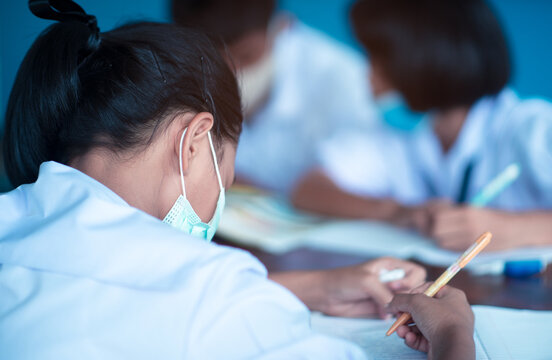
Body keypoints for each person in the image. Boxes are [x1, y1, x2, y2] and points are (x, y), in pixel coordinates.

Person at [0, 1, 437, 358]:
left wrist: (310, 287)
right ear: (193, 141)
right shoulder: (214, 294)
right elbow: (188, 296)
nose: (222, 192)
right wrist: (455, 333)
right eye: (225, 179)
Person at [292, 0, 552, 251]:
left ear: (421, 58)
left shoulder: (534, 128)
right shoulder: (410, 136)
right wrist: (402, 212)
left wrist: (508, 229)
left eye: (377, 58)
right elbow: (308, 189)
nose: (366, 72)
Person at [172, 0, 380, 194]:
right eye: (213, 60)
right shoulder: (178, 70)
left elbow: (357, 189)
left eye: (246, 56)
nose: (232, 73)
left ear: (281, 26)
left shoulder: (345, 80)